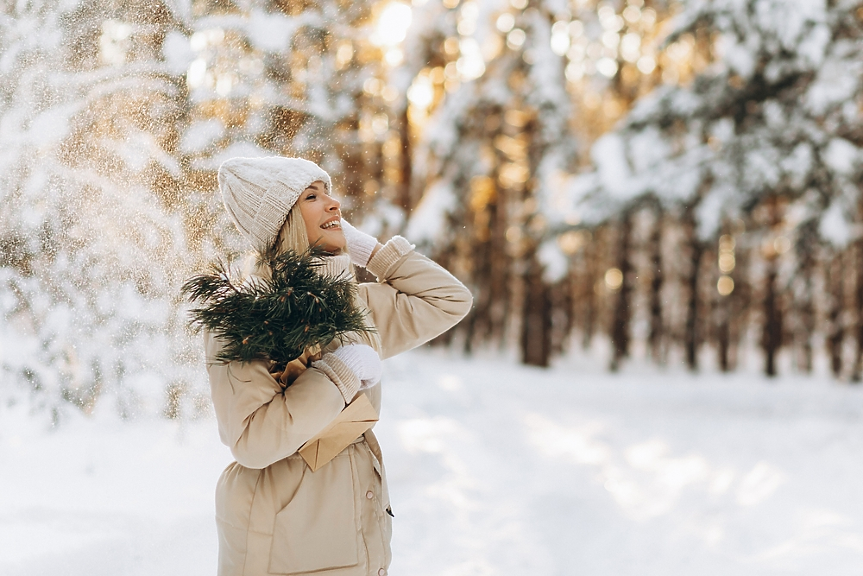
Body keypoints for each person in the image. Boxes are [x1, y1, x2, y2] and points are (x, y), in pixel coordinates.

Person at [206, 156, 472, 576]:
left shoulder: (354, 305)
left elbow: (449, 300)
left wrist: (371, 252)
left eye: (328, 192)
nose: (334, 204)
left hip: (353, 533)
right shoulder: (247, 317)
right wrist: (339, 375)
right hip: (285, 539)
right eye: (312, 196)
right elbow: (253, 440)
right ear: (283, 221)